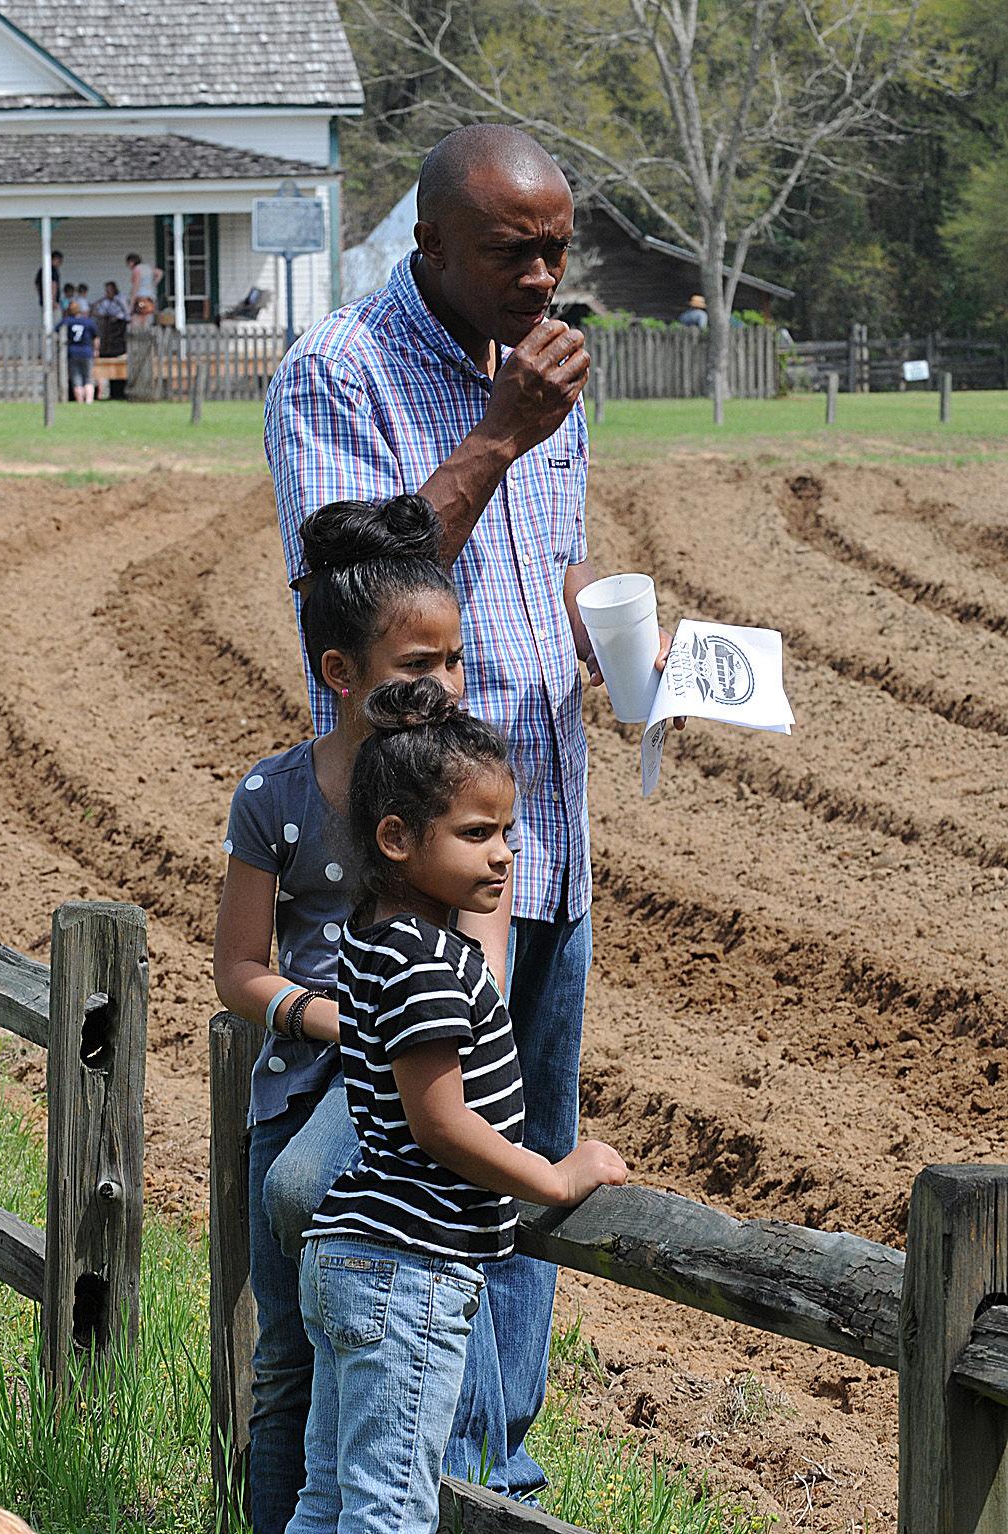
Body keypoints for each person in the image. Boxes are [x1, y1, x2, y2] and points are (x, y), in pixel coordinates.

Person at [265, 122, 673, 1506]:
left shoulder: (542, 376)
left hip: (537, 844)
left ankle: (500, 1472)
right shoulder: (340, 373)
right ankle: (399, 1470)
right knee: (400, 1169)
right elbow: (357, 593)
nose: (546, 278)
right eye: (514, 252)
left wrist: (625, 657)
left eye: (560, 248)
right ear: (428, 245)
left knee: (527, 1167)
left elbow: (534, 574)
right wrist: (500, 435)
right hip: (408, 873)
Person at [214, 493, 503, 1531]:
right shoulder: (275, 795)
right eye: (413, 667)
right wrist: (327, 1016)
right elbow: (241, 967)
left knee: (315, 1227)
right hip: (306, 1077)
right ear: (340, 674)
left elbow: (487, 962)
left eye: (452, 662)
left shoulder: (456, 799)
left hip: (412, 1075)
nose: (441, 687)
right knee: (285, 1355)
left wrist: (389, 1032)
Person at [286, 675, 627, 1534]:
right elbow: (440, 1122)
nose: (503, 853)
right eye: (476, 833)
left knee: (328, 1500)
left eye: (508, 830)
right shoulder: (427, 963)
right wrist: (550, 1178)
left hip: (354, 1255)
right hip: (408, 1271)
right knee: (390, 1512)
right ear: (395, 838)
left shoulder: (379, 937)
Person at [56, 300, 99, 403]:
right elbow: (96, 336)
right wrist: (96, 350)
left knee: (76, 379)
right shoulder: (88, 321)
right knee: (88, 378)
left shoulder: (67, 321)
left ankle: (79, 401)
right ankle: (89, 401)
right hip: (87, 351)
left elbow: (56, 330)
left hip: (73, 352)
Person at [92, 281, 129, 358]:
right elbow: (102, 311)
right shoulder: (106, 301)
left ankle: (121, 352)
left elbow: (126, 311)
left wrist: (119, 317)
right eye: (106, 290)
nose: (107, 292)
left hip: (120, 322)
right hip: (109, 322)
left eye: (109, 290)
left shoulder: (121, 298)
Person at [127, 251, 161, 326]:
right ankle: (145, 334)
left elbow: (136, 287)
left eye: (128, 263)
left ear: (132, 262)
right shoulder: (147, 267)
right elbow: (159, 273)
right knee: (146, 317)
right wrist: (153, 284)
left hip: (141, 298)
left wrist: (131, 304)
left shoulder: (136, 270)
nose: (128, 266)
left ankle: (138, 335)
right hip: (150, 298)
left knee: (136, 318)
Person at [34, 250, 63, 315]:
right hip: (52, 303)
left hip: (44, 301)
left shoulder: (42, 269)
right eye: (59, 261)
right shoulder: (52, 270)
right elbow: (53, 285)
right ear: (55, 259)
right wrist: (53, 301)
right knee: (56, 322)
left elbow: (37, 284)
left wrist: (41, 294)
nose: (60, 263)